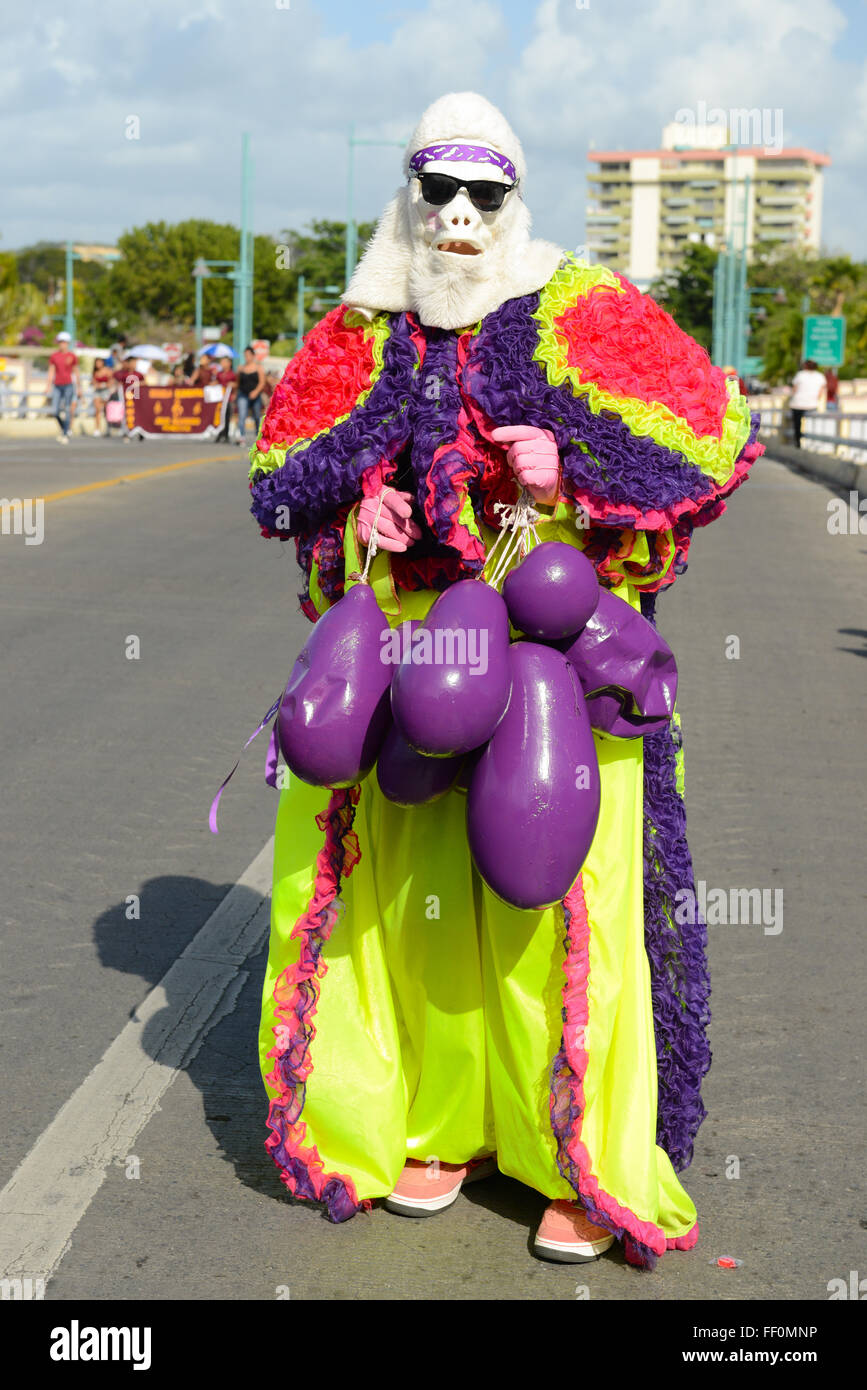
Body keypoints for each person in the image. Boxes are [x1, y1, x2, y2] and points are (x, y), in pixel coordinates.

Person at [246, 92, 763, 1269]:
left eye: (485, 191)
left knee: (560, 906)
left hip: (551, 653)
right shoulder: (361, 326)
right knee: (410, 900)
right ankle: (438, 1122)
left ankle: (575, 1158)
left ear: (515, 197)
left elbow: (684, 470)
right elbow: (296, 493)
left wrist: (566, 478)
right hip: (414, 652)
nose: (461, 214)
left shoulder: (582, 308)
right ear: (412, 193)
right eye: (440, 188)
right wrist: (355, 515)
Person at [46, 331, 80, 444]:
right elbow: (51, 371)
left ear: (67, 343)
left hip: (69, 385)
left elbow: (76, 372)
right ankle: (64, 428)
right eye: (60, 342)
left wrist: (79, 387)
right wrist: (48, 385)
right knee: (55, 411)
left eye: (64, 342)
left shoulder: (72, 356)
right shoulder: (54, 356)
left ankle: (65, 433)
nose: (62, 344)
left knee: (67, 409)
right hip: (57, 385)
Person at [789, 358, 826, 447]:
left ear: (805, 366)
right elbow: (821, 393)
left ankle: (798, 442)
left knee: (797, 425)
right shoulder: (820, 376)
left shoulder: (800, 375)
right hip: (812, 404)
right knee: (812, 425)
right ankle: (812, 443)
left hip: (797, 404)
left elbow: (794, 389)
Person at [235, 345, 266, 446]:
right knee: (242, 415)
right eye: (245, 355)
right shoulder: (241, 368)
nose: (247, 357)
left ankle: (258, 437)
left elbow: (262, 382)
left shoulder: (258, 368)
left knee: (257, 416)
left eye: (248, 355)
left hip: (255, 395)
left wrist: (256, 392)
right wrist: (235, 393)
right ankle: (242, 436)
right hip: (243, 394)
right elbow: (238, 382)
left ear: (253, 356)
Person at [214, 353, 237, 442]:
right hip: (220, 398)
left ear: (229, 363)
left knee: (227, 416)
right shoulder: (219, 374)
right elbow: (217, 382)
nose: (222, 364)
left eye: (224, 362)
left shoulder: (232, 374)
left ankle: (226, 434)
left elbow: (236, 384)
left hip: (229, 398)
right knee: (220, 417)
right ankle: (220, 433)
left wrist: (233, 388)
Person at [91, 357, 114, 437]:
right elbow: (93, 381)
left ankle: (108, 428)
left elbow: (111, 381)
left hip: (105, 391)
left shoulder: (107, 370)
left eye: (99, 362)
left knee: (106, 410)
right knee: (97, 410)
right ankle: (97, 429)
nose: (98, 364)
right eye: (97, 363)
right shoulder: (95, 372)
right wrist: (96, 385)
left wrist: (103, 385)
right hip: (97, 392)